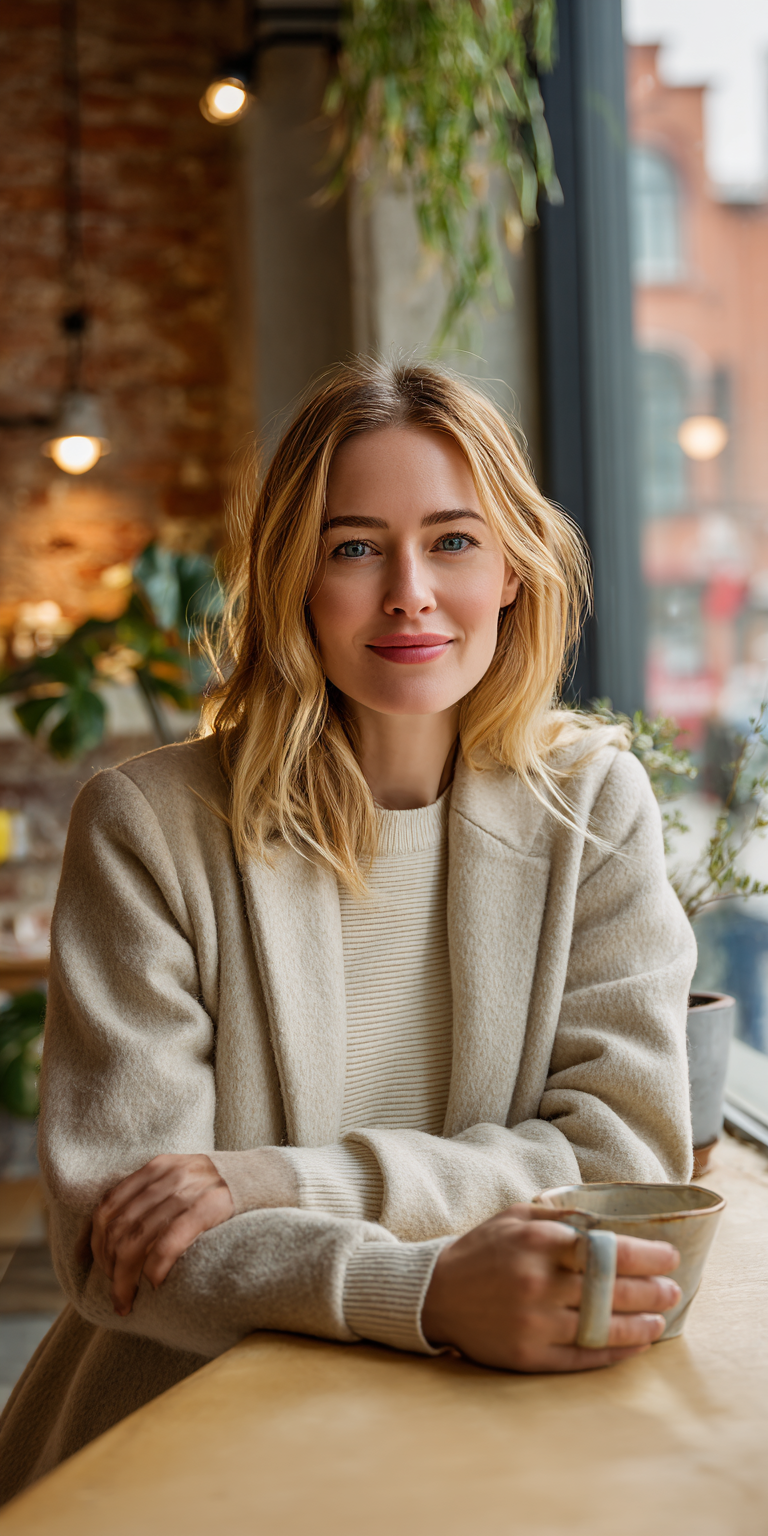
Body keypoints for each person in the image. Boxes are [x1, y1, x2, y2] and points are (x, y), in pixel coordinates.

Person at [0, 360, 694, 1500]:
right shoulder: (148, 828)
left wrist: (279, 1181)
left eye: (455, 541)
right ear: (295, 582)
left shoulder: (593, 806)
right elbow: (120, 1241)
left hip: (495, 1440)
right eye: (355, 547)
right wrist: (413, 1293)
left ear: (514, 568)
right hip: (180, 1434)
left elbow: (622, 1161)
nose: (410, 592)